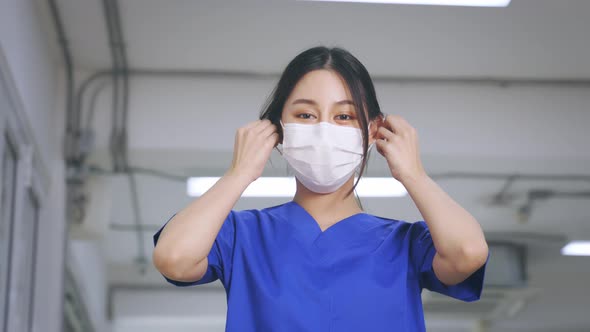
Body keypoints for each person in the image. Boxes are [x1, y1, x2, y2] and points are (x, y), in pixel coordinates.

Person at [152, 46, 489, 332]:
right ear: (278, 131)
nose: (325, 130)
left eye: (344, 117)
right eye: (306, 115)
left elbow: (468, 253)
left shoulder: (406, 246)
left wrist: (415, 175)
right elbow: (174, 259)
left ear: (373, 132)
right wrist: (238, 174)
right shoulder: (241, 236)